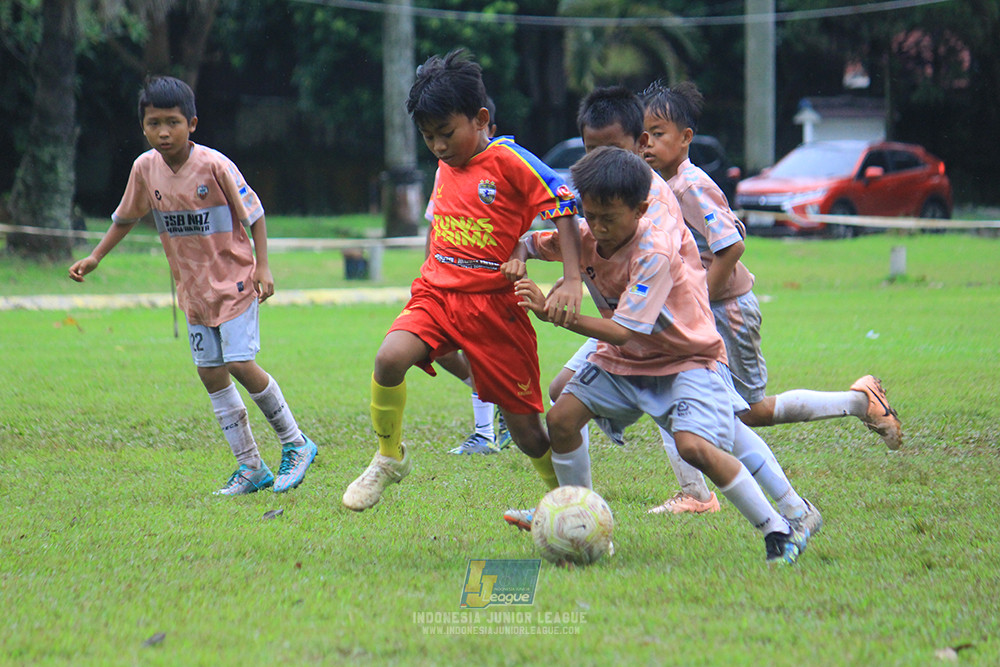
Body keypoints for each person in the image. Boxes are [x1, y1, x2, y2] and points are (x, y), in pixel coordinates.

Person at [511, 146, 809, 564]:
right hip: (625, 362)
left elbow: (624, 330)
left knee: (695, 447)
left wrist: (553, 313)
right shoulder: (586, 233)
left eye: (608, 219)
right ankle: (584, 518)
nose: (597, 228)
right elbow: (531, 242)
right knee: (561, 417)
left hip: (687, 360)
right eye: (590, 216)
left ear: (640, 208)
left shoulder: (655, 250)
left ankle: (777, 529)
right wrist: (517, 260)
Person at [640, 80, 901, 514]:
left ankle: (860, 401)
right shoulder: (657, 186)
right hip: (701, 313)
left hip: (726, 310)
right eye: (644, 135)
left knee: (751, 412)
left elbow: (731, 246)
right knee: (667, 388)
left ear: (686, 138)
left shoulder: (691, 186)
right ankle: (696, 495)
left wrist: (698, 303)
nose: (648, 144)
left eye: (660, 133)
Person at [341, 50, 583, 512]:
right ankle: (389, 458)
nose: (437, 145)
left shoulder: (509, 160)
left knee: (529, 435)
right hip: (438, 293)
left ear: (481, 118)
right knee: (389, 358)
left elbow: (563, 202)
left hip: (495, 309)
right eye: (428, 137)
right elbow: (444, 222)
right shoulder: (446, 163)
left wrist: (570, 279)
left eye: (446, 133)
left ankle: (568, 503)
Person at [68, 76, 318, 495]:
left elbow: (254, 214)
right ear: (142, 126)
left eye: (173, 122)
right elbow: (125, 218)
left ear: (193, 123)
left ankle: (296, 442)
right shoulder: (144, 169)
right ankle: (251, 467)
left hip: (235, 284)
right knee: (210, 374)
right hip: (194, 294)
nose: (163, 132)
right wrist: (96, 256)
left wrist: (263, 267)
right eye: (153, 123)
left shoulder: (215, 165)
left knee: (240, 363)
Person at [425, 97, 512, 455]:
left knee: (485, 354)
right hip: (446, 283)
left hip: (489, 289)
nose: (441, 146)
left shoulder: (505, 167)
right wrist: (429, 269)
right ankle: (495, 401)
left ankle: (485, 433)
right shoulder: (446, 167)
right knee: (437, 350)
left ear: (485, 126)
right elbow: (436, 222)